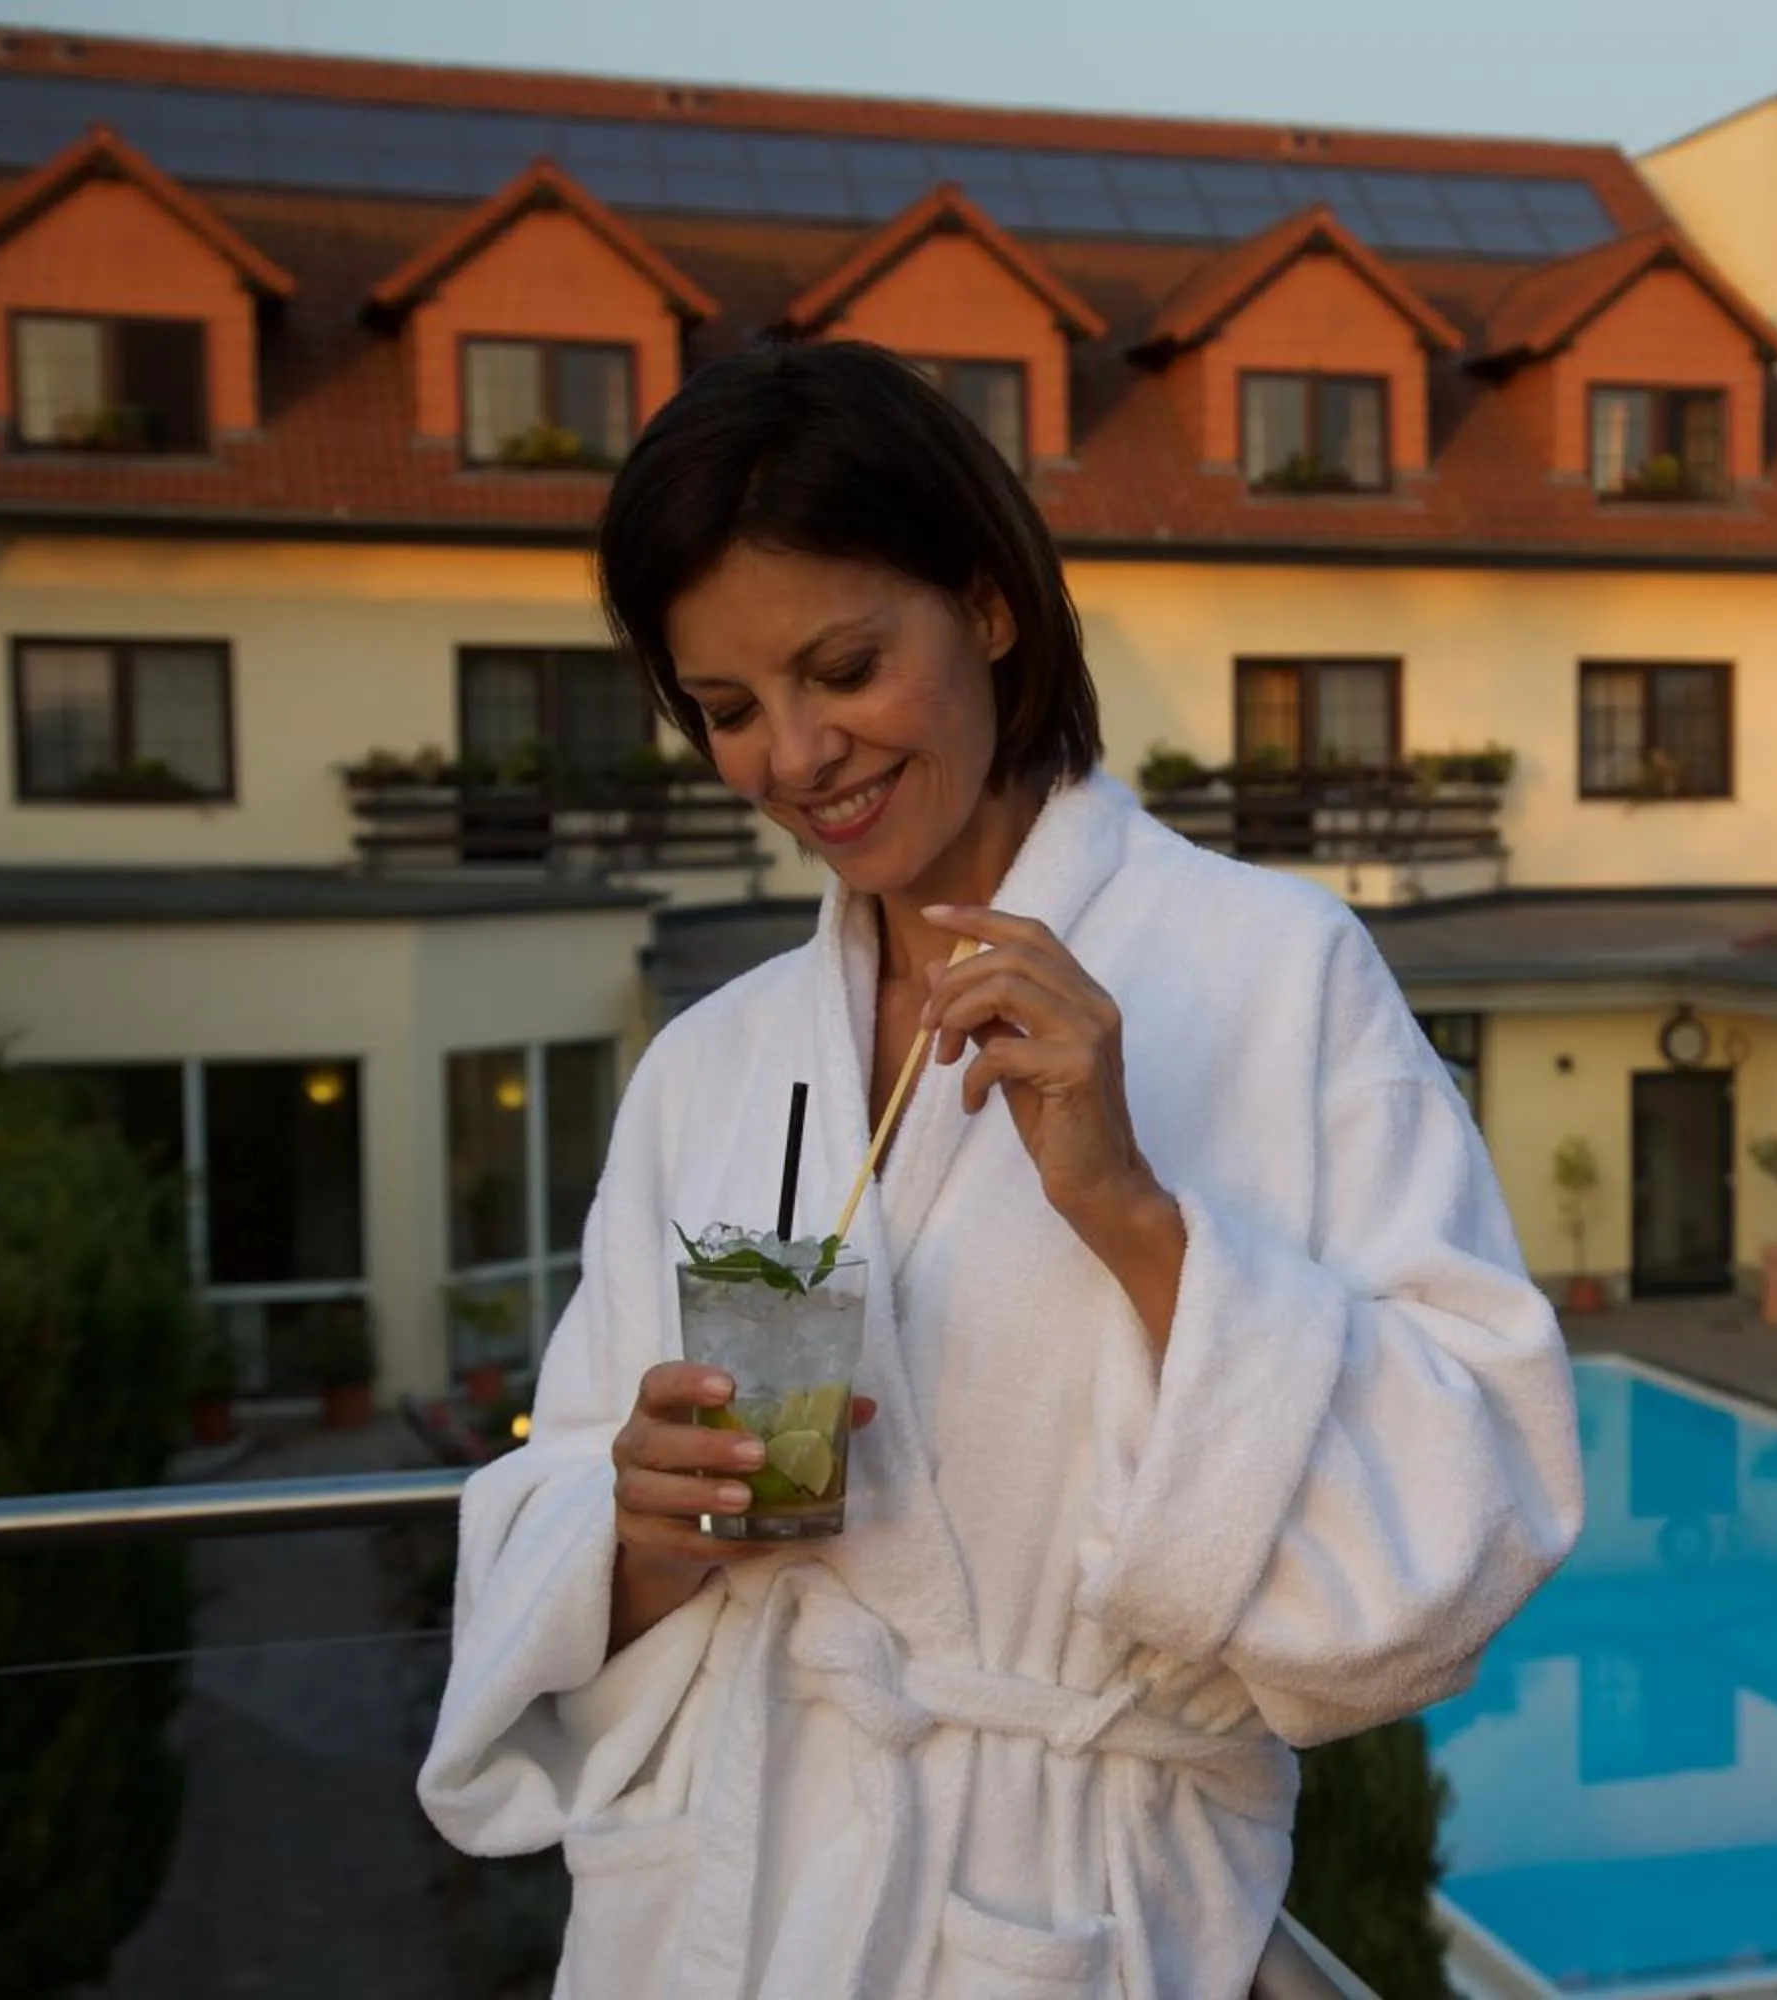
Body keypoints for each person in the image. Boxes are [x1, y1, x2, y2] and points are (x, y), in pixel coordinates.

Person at [418, 340, 1582, 1999]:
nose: (797, 758)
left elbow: (1467, 1528)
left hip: (1069, 1909)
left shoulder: (1277, 975)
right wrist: (648, 1530)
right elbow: (576, 1485)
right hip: (716, 1911)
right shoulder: (717, 1062)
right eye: (730, 711)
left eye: (843, 667)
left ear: (987, 605)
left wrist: (1130, 1208)